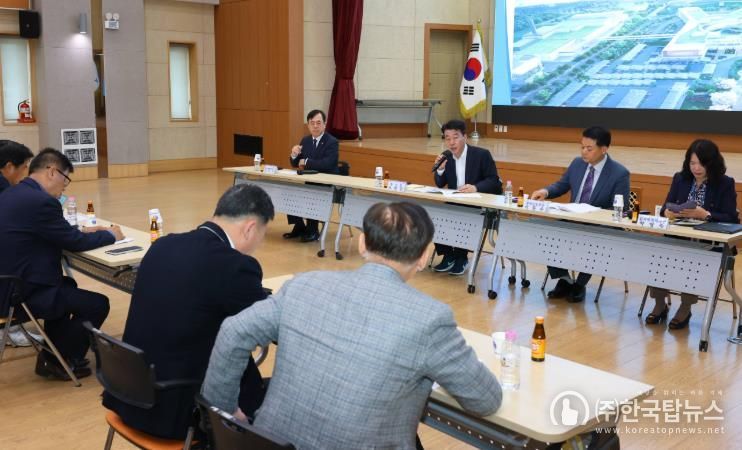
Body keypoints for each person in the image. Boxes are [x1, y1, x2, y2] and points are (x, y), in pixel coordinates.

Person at [202, 202, 502, 449]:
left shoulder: (304, 285)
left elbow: (233, 331)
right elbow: (485, 400)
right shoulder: (429, 319)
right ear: (424, 256)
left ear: (362, 243)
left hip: (271, 442)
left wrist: (224, 412)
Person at [103, 183, 275, 439]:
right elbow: (268, 326)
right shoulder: (235, 266)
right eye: (263, 234)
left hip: (129, 394)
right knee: (277, 401)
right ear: (250, 228)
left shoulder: (162, 245)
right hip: (178, 410)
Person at [0, 148, 124, 380]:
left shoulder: (13, 193)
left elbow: (50, 231)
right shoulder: (41, 202)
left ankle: (54, 356)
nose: (64, 188)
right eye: (65, 180)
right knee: (97, 304)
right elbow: (74, 243)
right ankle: (60, 360)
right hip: (16, 294)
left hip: (10, 283)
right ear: (52, 172)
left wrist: (82, 231)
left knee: (67, 286)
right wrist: (111, 235)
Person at [645, 139, 738, 330]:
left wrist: (706, 215)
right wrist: (667, 212)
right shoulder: (681, 179)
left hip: (709, 242)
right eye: (692, 163)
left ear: (712, 163)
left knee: (694, 260)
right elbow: (665, 207)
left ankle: (685, 308)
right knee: (657, 255)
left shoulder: (725, 183)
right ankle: (660, 304)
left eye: (701, 164)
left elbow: (731, 217)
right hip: (678, 236)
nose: (696, 168)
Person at [531, 126, 630, 303]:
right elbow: (562, 185)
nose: (584, 152)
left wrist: (595, 214)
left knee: (594, 238)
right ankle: (564, 279)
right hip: (573, 218)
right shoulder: (577, 163)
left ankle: (580, 284)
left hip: (598, 225)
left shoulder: (619, 173)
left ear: (604, 149)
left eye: (589, 148)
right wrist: (545, 191)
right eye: (582, 147)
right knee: (548, 231)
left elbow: (621, 208)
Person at [432, 119, 502, 275]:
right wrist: (440, 169)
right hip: (455, 202)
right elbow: (440, 183)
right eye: (447, 138)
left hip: (476, 203)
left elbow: (494, 181)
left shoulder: (481, 155)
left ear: (465, 137)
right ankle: (448, 255)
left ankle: (461, 257)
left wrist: (475, 188)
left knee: (463, 214)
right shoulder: (447, 157)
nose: (451, 142)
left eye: (455, 137)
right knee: (434, 215)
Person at [0, 140, 44, 348]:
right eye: (24, 166)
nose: (26, 172)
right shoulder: (3, 188)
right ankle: (7, 328)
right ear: (9, 166)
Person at [283, 109, 339, 242]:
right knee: (289, 193)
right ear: (308, 125)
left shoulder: (332, 142)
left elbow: (328, 163)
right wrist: (294, 154)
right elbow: (295, 163)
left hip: (326, 182)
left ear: (324, 124)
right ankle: (299, 226)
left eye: (318, 123)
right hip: (310, 180)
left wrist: (307, 162)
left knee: (312, 194)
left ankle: (313, 231)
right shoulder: (306, 140)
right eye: (312, 123)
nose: (315, 126)